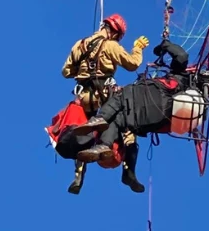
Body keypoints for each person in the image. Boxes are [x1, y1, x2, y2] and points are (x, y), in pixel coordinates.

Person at [69, 38, 200, 193]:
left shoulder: (178, 77)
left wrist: (165, 45)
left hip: (150, 102)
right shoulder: (185, 97)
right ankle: (124, 167)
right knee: (119, 119)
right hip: (151, 119)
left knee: (122, 97)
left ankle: (101, 125)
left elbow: (181, 56)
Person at [59, 14, 149, 194]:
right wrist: (137, 49)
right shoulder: (111, 46)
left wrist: (83, 72)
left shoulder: (80, 45)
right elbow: (132, 64)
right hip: (105, 95)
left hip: (85, 97)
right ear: (116, 33)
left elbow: (66, 71)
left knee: (84, 135)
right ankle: (128, 171)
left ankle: (78, 177)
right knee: (128, 127)